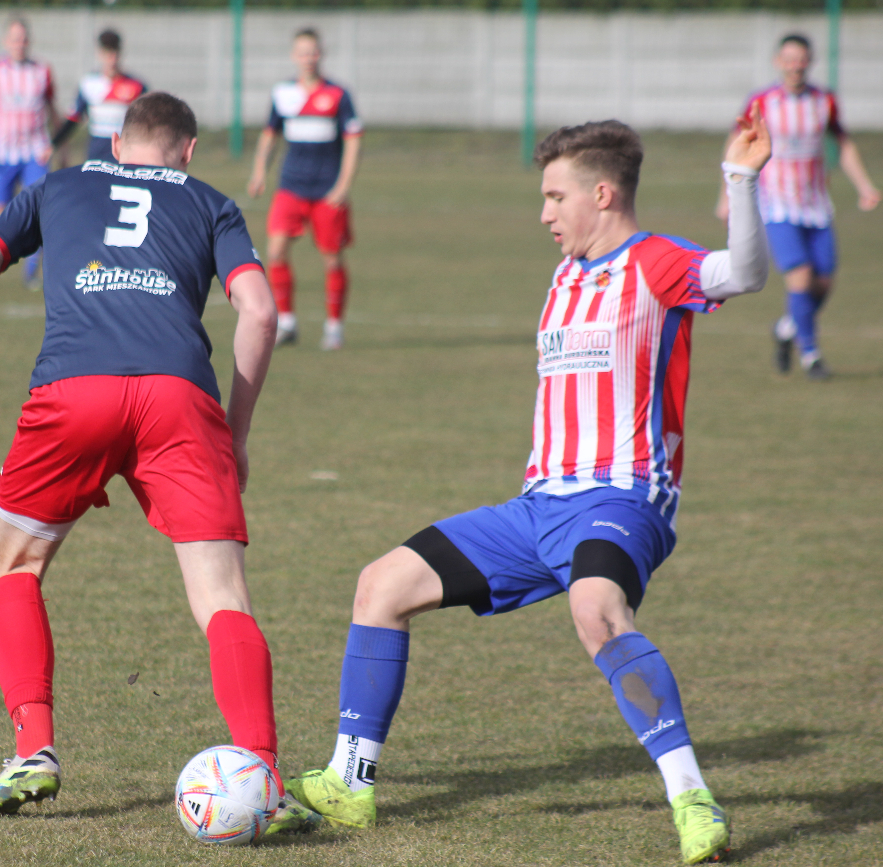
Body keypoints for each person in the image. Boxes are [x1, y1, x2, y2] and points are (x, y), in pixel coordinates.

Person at [285, 114, 773, 865]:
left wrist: (739, 180)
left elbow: (741, 273)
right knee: (380, 585)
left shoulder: (655, 262)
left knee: (597, 609)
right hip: (536, 506)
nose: (544, 214)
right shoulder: (567, 273)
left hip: (619, 498)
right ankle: (352, 780)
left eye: (554, 196)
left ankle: (691, 795)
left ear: (602, 194)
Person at [0, 92, 319, 833]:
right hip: (179, 398)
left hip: (71, 391)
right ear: (189, 150)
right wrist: (234, 433)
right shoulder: (211, 202)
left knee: (15, 567)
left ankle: (32, 751)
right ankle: (261, 771)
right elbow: (262, 312)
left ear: (115, 142)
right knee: (223, 598)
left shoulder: (58, 184)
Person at [717, 33, 880, 380]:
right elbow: (737, 142)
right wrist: (724, 196)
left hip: (817, 205)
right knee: (801, 277)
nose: (795, 65)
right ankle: (811, 355)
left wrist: (864, 186)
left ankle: (787, 328)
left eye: (801, 59)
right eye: (789, 59)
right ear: (779, 62)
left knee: (823, 283)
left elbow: (843, 144)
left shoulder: (824, 100)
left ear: (809, 62)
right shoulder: (762, 100)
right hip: (777, 205)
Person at [247, 28, 362, 350]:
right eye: (302, 52)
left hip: (327, 191)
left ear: (321, 54)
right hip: (291, 188)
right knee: (274, 251)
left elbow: (354, 142)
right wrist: (259, 171)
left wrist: (343, 185)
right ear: (293, 56)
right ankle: (287, 323)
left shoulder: (338, 95)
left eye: (313, 51)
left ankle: (334, 327)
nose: (308, 58)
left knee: (332, 259)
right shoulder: (283, 93)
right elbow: (270, 134)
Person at [0, 17, 59, 284]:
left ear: (29, 41)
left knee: (38, 207)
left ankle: (33, 268)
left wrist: (59, 145)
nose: (19, 43)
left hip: (35, 152)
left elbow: (53, 112)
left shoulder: (42, 71)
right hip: (3, 153)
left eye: (23, 38)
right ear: (5, 41)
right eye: (14, 38)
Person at [52, 29, 147, 165]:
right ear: (100, 54)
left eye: (115, 54)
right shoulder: (89, 84)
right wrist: (54, 144)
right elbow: (73, 118)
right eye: (108, 54)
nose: (112, 60)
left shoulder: (137, 86)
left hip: (125, 151)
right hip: (96, 151)